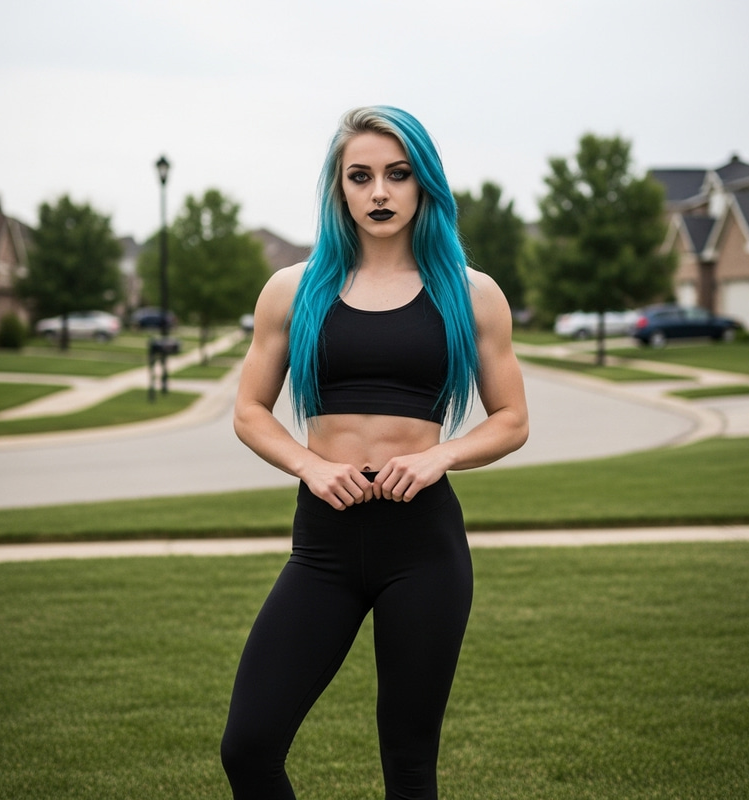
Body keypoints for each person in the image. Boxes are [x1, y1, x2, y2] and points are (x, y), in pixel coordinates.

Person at [220, 105, 529, 799]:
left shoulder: (472, 294)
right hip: (323, 546)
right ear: (340, 189)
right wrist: (310, 464)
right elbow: (248, 411)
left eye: (398, 174)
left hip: (423, 545)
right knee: (249, 747)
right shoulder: (293, 291)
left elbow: (511, 420)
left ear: (424, 186)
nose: (380, 192)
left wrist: (439, 457)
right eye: (360, 176)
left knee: (411, 762)